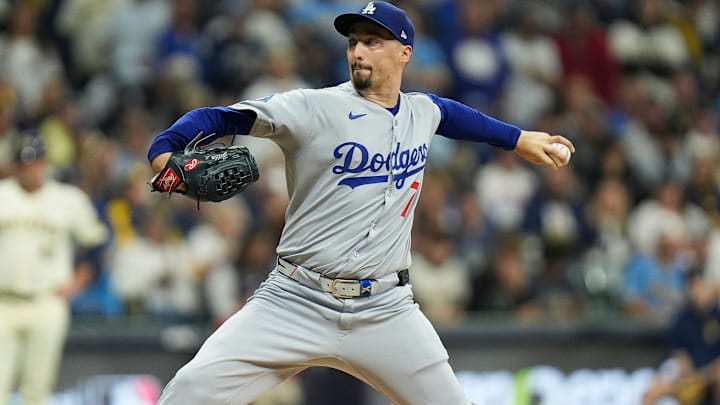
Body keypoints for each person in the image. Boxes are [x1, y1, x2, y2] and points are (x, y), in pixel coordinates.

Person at [147, 2, 575, 404]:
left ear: (405, 52)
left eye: (373, 41)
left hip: (385, 310)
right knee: (188, 390)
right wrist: (164, 151)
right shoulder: (314, 107)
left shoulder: (421, 112)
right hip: (295, 299)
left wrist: (519, 139)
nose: (359, 51)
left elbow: (456, 115)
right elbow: (221, 117)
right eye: (354, 41)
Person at [0, 131, 108, 405]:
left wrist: (79, 280)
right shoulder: (3, 194)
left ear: (45, 162)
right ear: (13, 165)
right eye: (23, 163)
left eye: (34, 161)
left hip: (47, 301)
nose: (30, 168)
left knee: (36, 391)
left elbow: (97, 244)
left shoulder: (67, 199)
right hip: (3, 301)